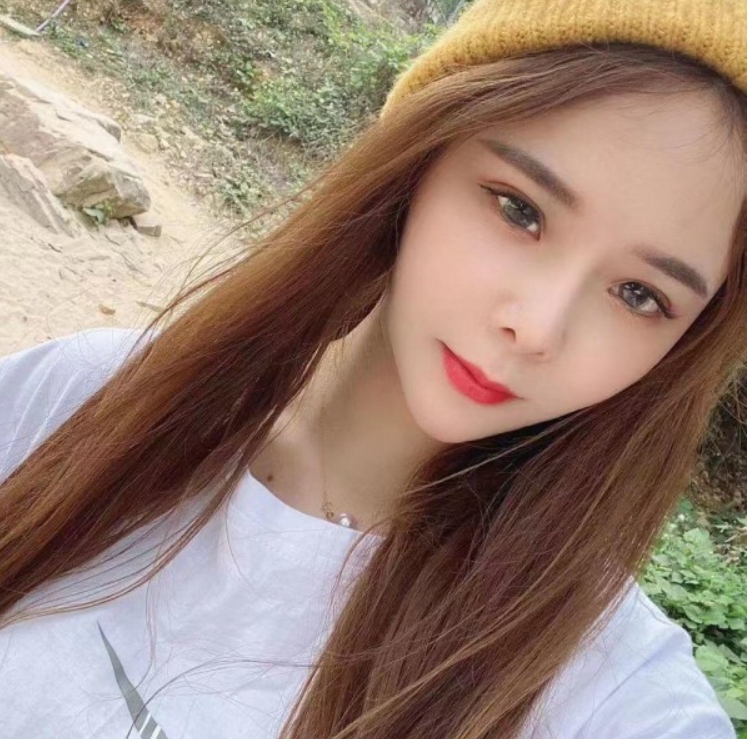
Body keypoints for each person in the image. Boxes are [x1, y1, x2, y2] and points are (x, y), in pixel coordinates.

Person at [0, 0, 745, 737]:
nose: (537, 328)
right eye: (520, 211)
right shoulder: (94, 400)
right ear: (418, 161)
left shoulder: (606, 689)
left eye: (639, 295)